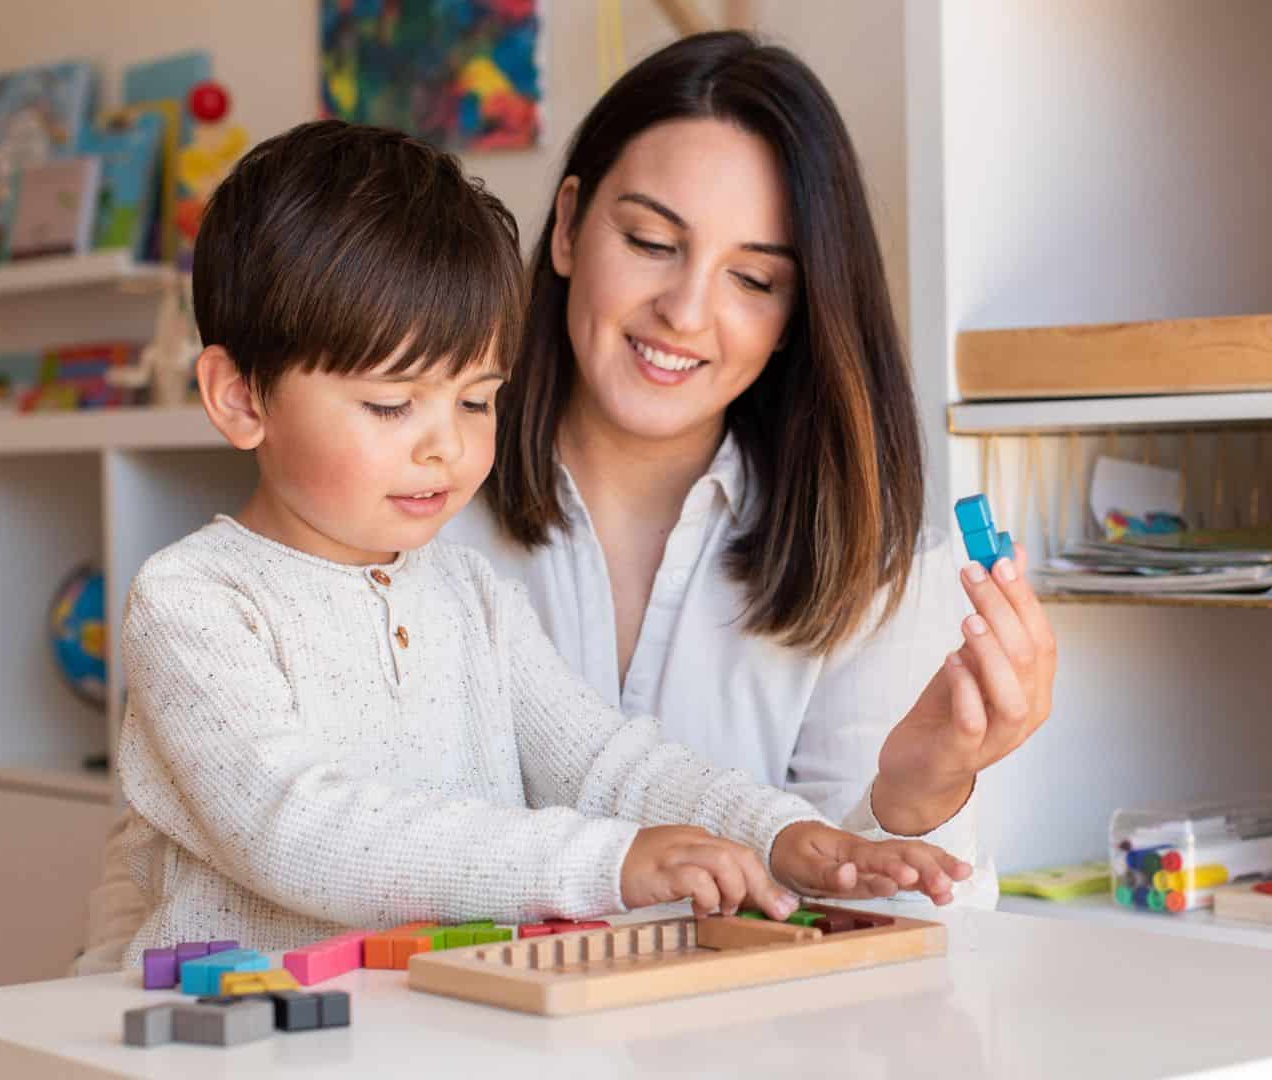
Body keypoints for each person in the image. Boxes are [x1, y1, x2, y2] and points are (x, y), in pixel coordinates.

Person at [102, 119, 969, 966]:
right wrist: (605, 864)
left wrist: (781, 837)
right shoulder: (195, 602)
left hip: (445, 1035)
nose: (446, 445)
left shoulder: (470, 594)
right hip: (235, 1041)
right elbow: (300, 831)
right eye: (391, 405)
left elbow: (607, 763)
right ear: (241, 399)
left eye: (476, 400)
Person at [448, 31, 1057, 909]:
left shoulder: (867, 566)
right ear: (571, 225)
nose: (686, 311)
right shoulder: (417, 507)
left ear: (796, 315)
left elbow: (895, 976)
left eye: (754, 280)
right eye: (653, 241)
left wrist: (918, 797)